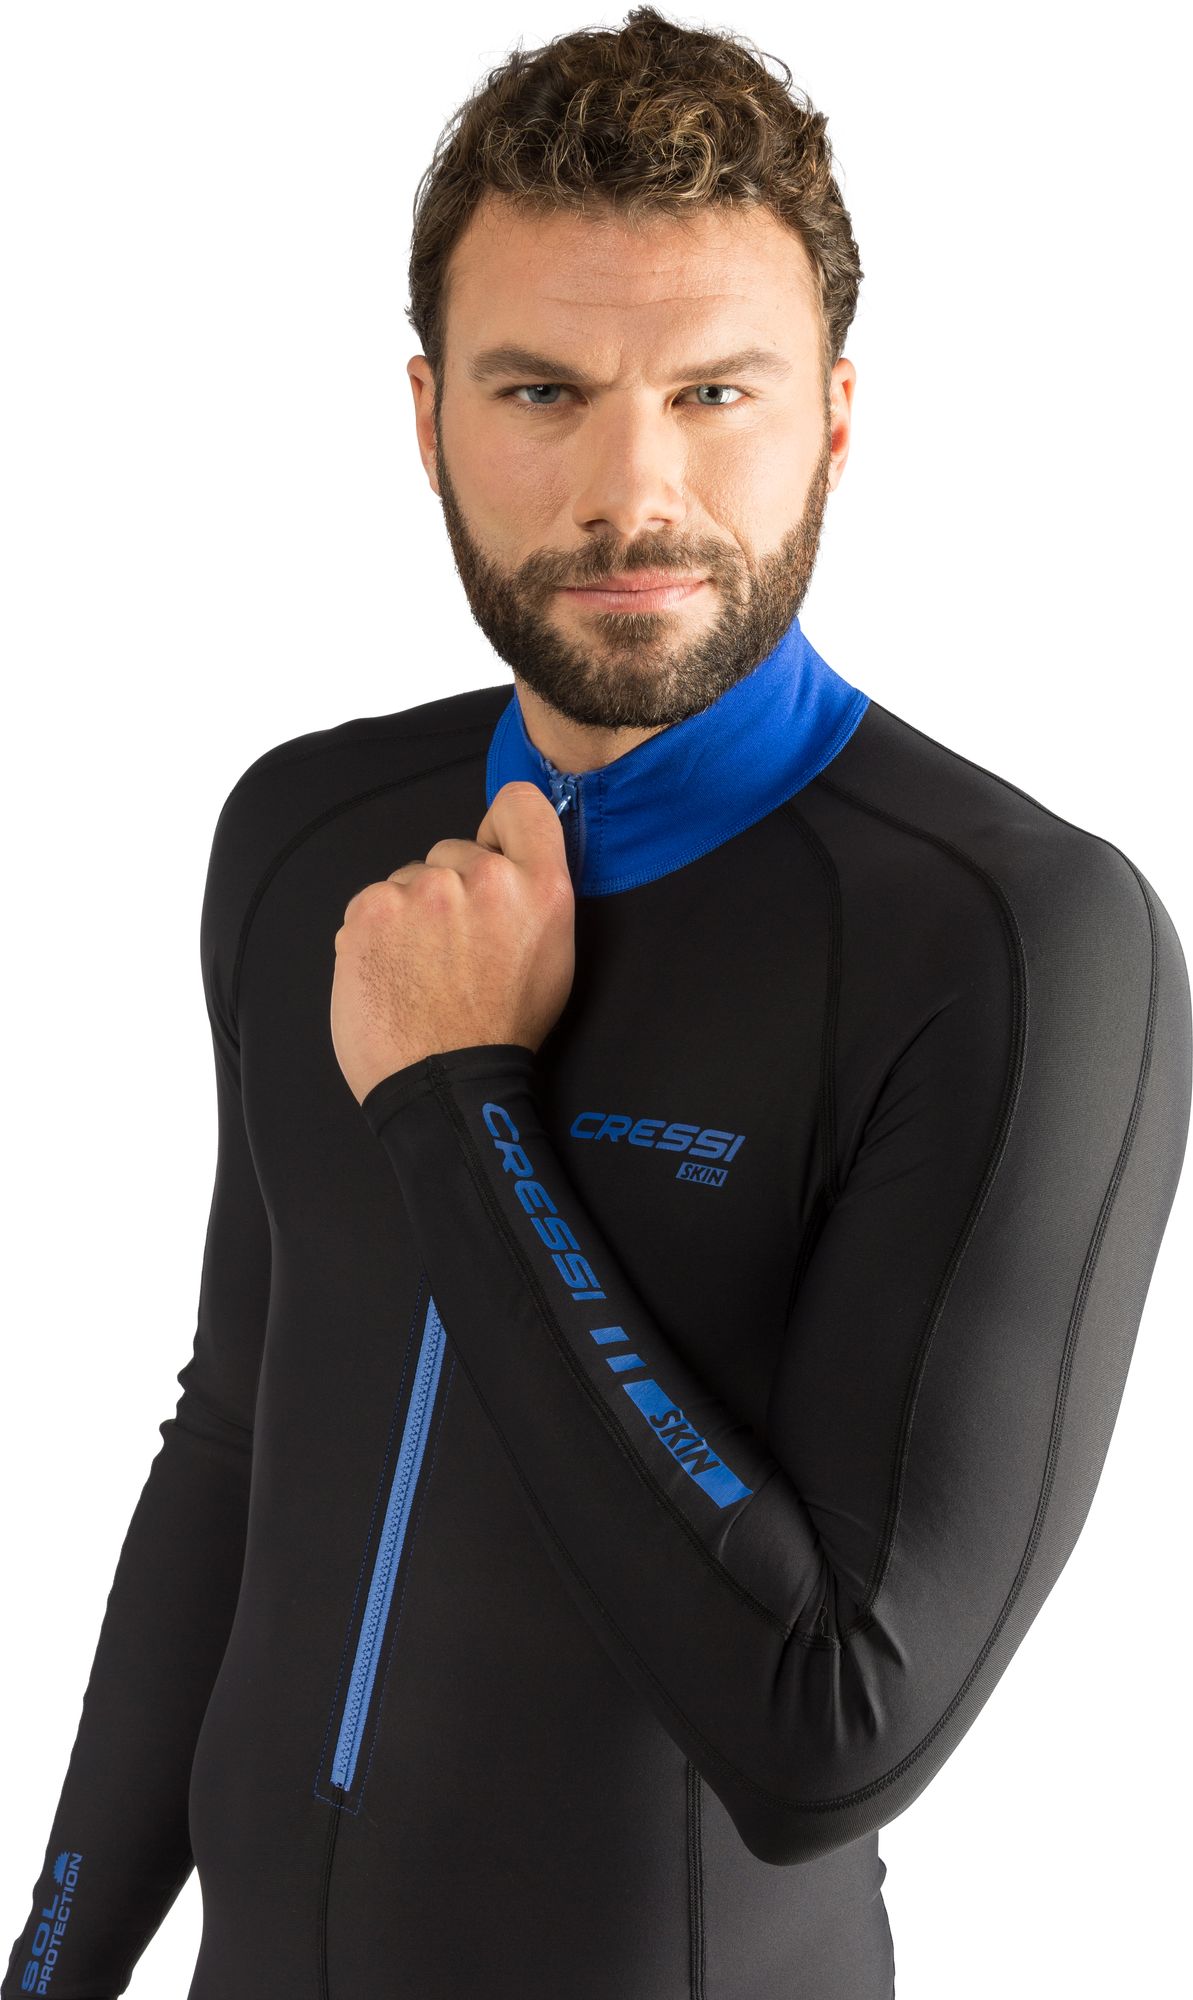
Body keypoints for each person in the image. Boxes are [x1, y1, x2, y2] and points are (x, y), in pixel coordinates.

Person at [4, 8, 1189, 1998]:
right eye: (541, 390)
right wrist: (51, 1966)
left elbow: (833, 1728)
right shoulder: (310, 834)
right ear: (427, 415)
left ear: (834, 414)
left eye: (714, 390)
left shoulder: (1013, 944)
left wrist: (456, 1096)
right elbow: (235, 1444)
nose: (633, 490)